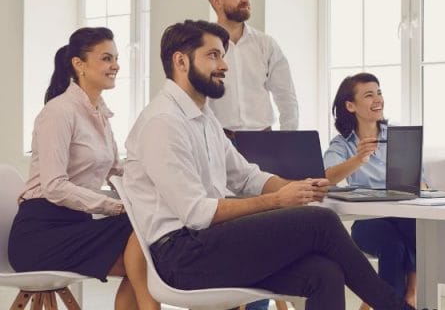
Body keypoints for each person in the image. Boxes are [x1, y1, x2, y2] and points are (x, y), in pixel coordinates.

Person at [122, 20, 413, 310]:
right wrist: (276, 200)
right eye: (213, 55)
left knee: (324, 274)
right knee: (320, 221)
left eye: (223, 55)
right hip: (182, 256)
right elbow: (197, 213)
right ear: (181, 61)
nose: (224, 65)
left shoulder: (204, 117)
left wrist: (297, 188)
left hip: (206, 244)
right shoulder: (163, 123)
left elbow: (247, 176)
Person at [8, 27, 158, 310]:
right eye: (106, 58)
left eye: (115, 58)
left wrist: (161, 182)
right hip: (40, 234)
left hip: (76, 225)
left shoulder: (100, 114)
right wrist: (114, 207)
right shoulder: (58, 112)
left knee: (147, 245)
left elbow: (117, 170)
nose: (115, 65)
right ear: (79, 64)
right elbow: (54, 186)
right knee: (139, 235)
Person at [323, 73, 416, 308]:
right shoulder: (343, 143)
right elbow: (326, 177)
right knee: (393, 245)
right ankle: (401, 302)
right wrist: (358, 159)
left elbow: (420, 180)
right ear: (350, 105)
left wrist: (419, 186)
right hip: (368, 222)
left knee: (416, 228)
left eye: (379, 92)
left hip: (403, 217)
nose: (378, 99)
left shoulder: (397, 136)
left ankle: (409, 295)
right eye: (369, 95)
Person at [206, 0, 298, 137]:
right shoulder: (203, 47)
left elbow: (287, 99)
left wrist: (288, 143)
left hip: (263, 141)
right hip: (219, 140)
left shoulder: (266, 44)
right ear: (217, 1)